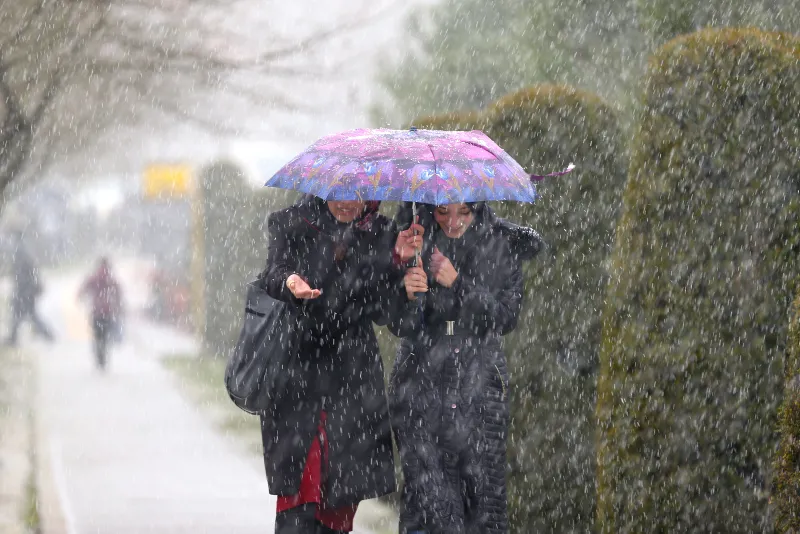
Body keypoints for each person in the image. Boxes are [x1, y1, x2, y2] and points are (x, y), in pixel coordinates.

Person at [260, 194, 422, 534]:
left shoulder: (381, 232)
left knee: (338, 506)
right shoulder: (292, 223)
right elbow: (272, 274)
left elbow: (389, 316)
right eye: (340, 195)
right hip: (298, 372)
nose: (349, 204)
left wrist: (399, 267)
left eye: (359, 196)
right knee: (298, 502)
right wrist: (290, 281)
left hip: (353, 381)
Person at [388, 201, 542, 534]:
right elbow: (397, 323)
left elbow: (505, 316)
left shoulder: (501, 244)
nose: (453, 221)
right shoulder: (412, 238)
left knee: (480, 498)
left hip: (480, 383)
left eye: (464, 212)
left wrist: (458, 284)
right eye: (443, 212)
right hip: (420, 383)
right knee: (426, 500)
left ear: (478, 207)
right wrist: (407, 292)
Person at [5, 233, 53, 345]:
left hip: (24, 291)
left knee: (28, 315)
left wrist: (21, 289)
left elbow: (23, 275)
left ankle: (49, 336)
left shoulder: (20, 253)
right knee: (24, 314)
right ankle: (14, 337)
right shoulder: (23, 252)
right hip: (25, 291)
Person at [78, 257, 124, 369]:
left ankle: (99, 355)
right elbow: (118, 293)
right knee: (105, 336)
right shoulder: (111, 279)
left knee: (97, 335)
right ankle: (103, 356)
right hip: (108, 312)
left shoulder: (93, 278)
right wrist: (118, 306)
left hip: (96, 312)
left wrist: (81, 298)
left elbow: (82, 290)